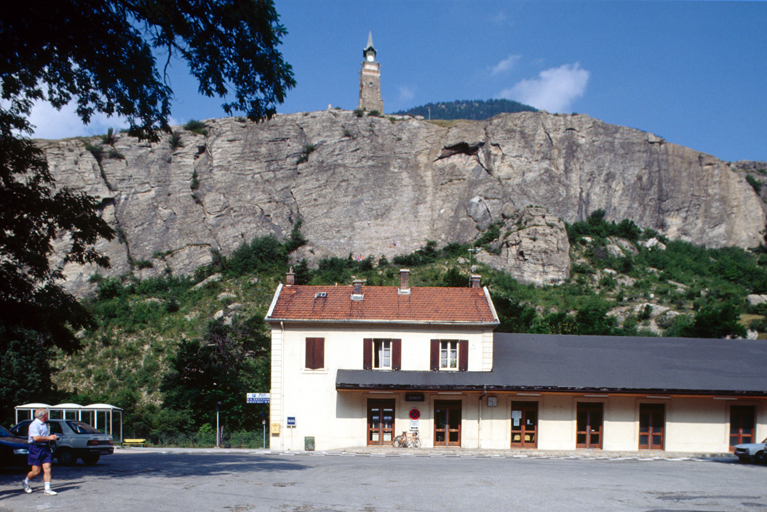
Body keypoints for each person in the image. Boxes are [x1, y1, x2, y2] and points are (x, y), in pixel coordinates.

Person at [22, 408, 58, 495]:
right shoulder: (34, 425)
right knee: (36, 471)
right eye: (46, 414)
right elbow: (36, 438)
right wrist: (49, 438)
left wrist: (51, 437)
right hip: (36, 448)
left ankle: (47, 488)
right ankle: (25, 481)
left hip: (45, 448)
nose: (47, 415)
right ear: (43, 416)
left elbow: (43, 436)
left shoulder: (44, 424)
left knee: (47, 469)